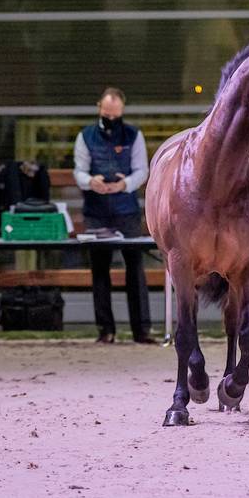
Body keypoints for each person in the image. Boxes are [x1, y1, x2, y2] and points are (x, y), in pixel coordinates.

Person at [72, 87, 154, 344]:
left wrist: (124, 184)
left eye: (115, 116)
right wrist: (90, 181)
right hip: (96, 211)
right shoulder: (85, 136)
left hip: (126, 210)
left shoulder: (134, 135)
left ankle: (142, 330)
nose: (111, 120)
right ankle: (105, 330)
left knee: (135, 269)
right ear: (99, 107)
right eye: (107, 115)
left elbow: (142, 170)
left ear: (122, 111)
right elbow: (79, 170)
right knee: (99, 270)